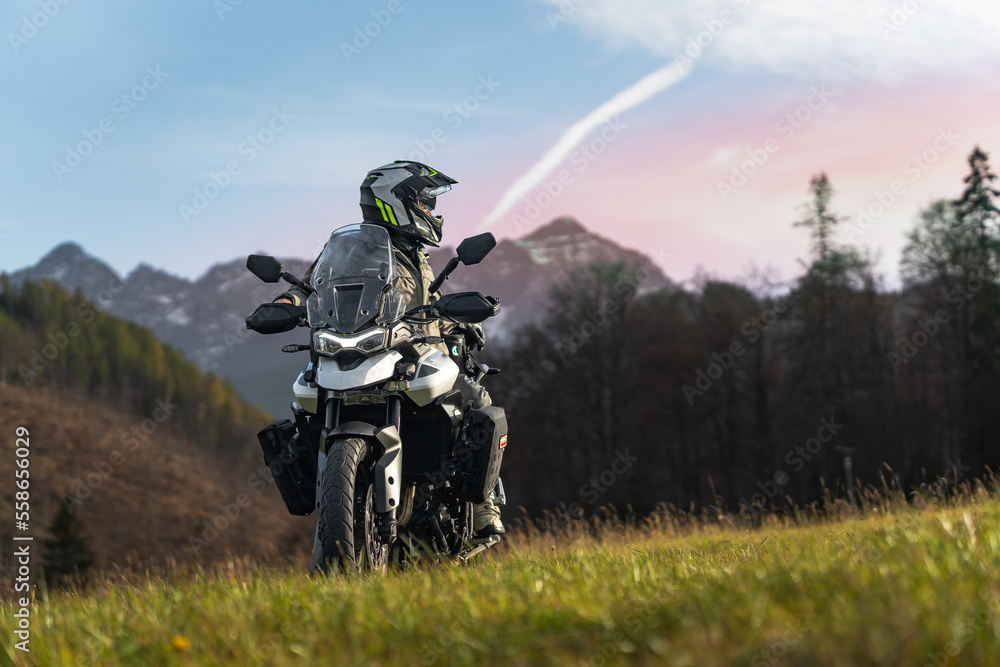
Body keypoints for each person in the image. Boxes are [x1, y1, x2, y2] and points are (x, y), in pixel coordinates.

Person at [273, 160, 503, 536]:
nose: (432, 211)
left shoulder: (417, 254)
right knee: (300, 411)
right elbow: (312, 286)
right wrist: (286, 306)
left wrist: (461, 321)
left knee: (476, 399)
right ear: (396, 200)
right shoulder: (356, 248)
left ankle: (481, 504)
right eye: (426, 201)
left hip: (415, 351)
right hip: (364, 349)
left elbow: (426, 302)